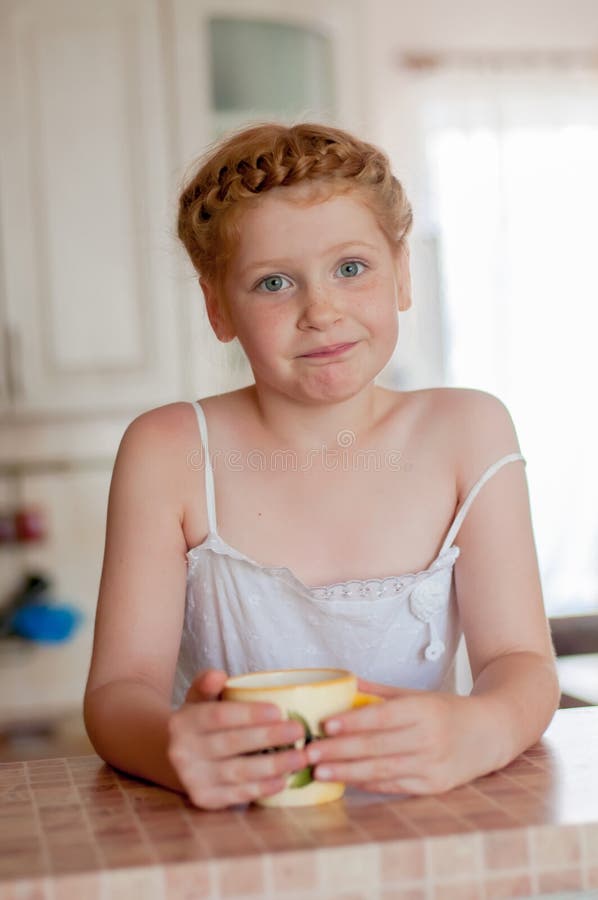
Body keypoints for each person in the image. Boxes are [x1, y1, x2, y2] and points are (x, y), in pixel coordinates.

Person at [84, 121, 560, 811]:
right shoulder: (167, 451)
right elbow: (117, 693)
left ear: (401, 273)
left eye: (350, 268)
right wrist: (174, 748)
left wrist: (480, 729)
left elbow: (521, 664)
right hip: (234, 845)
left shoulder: (469, 430)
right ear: (217, 306)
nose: (321, 310)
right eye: (274, 282)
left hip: (429, 836)